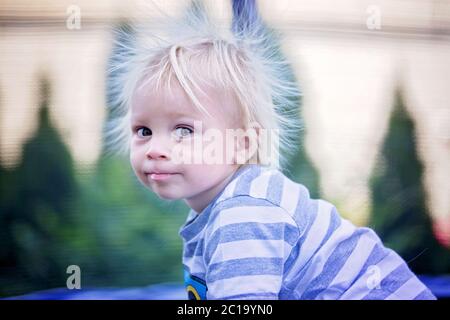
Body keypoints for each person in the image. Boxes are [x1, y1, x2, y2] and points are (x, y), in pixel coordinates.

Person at [106, 1, 436, 300]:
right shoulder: (222, 206)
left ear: (243, 143)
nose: (156, 148)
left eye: (184, 130)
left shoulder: (245, 210)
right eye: (144, 131)